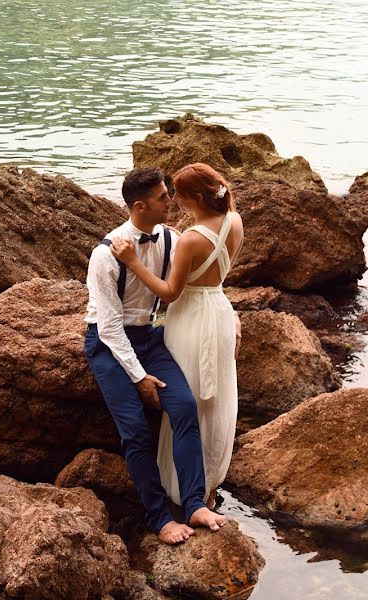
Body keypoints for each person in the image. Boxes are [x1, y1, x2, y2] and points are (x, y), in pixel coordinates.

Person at [84, 167, 227, 545]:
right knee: (135, 431)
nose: (172, 201)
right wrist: (138, 376)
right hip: (107, 345)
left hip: (149, 337)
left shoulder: (172, 237)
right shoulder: (105, 255)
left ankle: (195, 503)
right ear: (139, 205)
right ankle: (159, 518)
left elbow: (204, 278)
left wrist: (231, 318)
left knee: (184, 407)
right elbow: (109, 328)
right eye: (164, 197)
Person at [111, 162, 243, 511]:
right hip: (220, 309)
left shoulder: (190, 240)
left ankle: (180, 488)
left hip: (190, 320)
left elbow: (170, 293)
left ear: (195, 198)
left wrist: (132, 261)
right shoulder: (235, 221)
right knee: (218, 399)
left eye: (177, 197)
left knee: (187, 402)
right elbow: (217, 273)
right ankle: (210, 485)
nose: (172, 202)